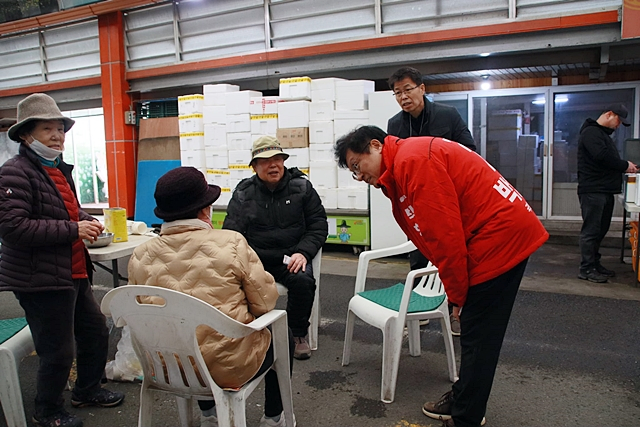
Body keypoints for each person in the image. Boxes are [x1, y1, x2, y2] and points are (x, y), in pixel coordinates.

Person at [334, 126, 548, 427]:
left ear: (375, 145)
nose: (359, 176)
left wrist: (457, 296)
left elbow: (445, 238)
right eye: (353, 172)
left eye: (358, 165)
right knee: (476, 332)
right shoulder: (401, 165)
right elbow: (431, 235)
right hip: (491, 236)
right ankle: (463, 399)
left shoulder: (413, 162)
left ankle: (466, 416)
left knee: (478, 336)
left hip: (498, 240)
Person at [128, 166, 294, 427]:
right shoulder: (231, 242)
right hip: (227, 369)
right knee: (283, 336)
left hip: (167, 368)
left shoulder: (140, 254)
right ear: (204, 209)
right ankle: (274, 418)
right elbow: (265, 303)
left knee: (188, 335)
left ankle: (209, 416)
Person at [0, 93, 124, 427]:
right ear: (27, 135)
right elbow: (13, 228)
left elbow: (64, 210)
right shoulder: (14, 173)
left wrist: (85, 218)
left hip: (73, 270)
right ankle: (48, 410)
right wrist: (73, 228)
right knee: (57, 350)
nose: (57, 136)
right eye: (47, 129)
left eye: (60, 129)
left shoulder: (56, 168)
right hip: (39, 277)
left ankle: (87, 389)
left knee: (95, 331)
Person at [387, 66, 477, 335]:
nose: (403, 97)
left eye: (407, 90)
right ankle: (420, 307)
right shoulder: (395, 124)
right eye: (397, 92)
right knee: (419, 255)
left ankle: (456, 309)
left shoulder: (447, 115)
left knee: (455, 253)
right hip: (416, 199)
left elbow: (469, 150)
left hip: (449, 197)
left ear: (422, 88)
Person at [223, 136, 328, 360]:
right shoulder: (243, 193)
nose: (273, 165)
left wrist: (303, 252)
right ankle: (247, 333)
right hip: (255, 260)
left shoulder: (301, 187)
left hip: (290, 258)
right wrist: (244, 259)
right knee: (227, 280)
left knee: (303, 281)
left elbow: (318, 225)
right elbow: (232, 233)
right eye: (265, 160)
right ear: (254, 166)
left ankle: (297, 334)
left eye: (278, 159)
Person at [577, 103, 636, 283]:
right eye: (619, 120)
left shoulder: (601, 134)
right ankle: (586, 268)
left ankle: (595, 263)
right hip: (594, 190)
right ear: (609, 114)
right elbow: (601, 157)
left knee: (600, 230)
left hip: (604, 189)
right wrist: (624, 165)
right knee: (591, 230)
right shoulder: (591, 133)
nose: (618, 125)